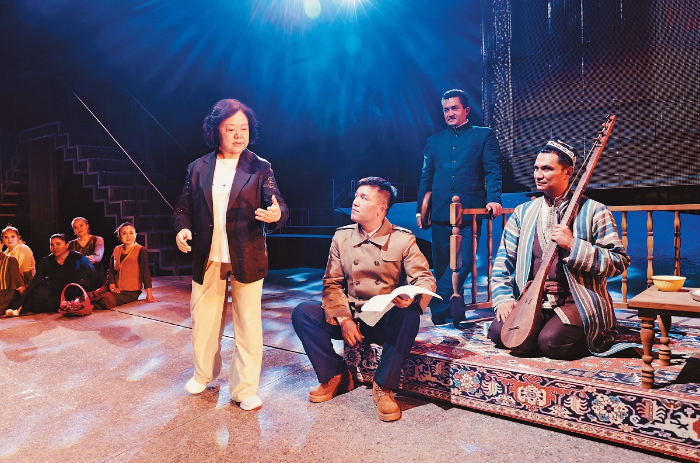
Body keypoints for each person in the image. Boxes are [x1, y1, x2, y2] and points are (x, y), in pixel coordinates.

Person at [172, 98, 288, 411]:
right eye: (231, 128)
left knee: (248, 325)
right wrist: (183, 228)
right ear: (216, 131)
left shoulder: (260, 167)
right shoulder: (198, 167)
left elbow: (278, 202)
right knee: (204, 320)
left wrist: (276, 214)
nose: (239, 135)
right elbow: (183, 207)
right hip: (208, 255)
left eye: (244, 128)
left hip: (247, 254)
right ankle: (203, 374)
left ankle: (244, 389)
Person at [292, 177, 436, 422]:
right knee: (303, 313)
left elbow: (424, 279)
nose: (355, 202)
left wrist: (410, 296)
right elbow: (331, 283)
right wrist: (344, 319)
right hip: (352, 320)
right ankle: (336, 375)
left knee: (409, 313)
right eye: (357, 196)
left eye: (364, 198)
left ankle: (384, 386)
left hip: (383, 321)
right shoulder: (342, 237)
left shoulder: (402, 239)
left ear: (381, 209)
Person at [487, 140, 630, 358]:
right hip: (532, 299)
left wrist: (573, 245)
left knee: (550, 343)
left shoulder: (595, 211)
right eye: (536, 168)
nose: (538, 175)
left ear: (568, 172)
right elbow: (502, 261)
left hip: (577, 300)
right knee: (499, 334)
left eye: (547, 169)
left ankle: (591, 333)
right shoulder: (522, 213)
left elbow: (618, 262)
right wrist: (504, 299)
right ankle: (539, 331)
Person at [416, 89, 503, 325]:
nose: (450, 113)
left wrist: (494, 198)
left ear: (466, 110)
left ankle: (434, 304)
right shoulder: (433, 141)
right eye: (446, 109)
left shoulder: (484, 135)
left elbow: (492, 169)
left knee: (461, 264)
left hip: (469, 214)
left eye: (454, 108)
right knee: (443, 266)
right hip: (440, 213)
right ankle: (450, 312)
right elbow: (426, 177)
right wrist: (420, 210)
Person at [6, 234, 96, 316]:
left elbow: (94, 276)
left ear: (67, 245)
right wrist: (22, 300)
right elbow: (36, 280)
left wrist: (92, 294)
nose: (54, 247)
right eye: (52, 245)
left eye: (58, 244)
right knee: (39, 295)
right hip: (51, 288)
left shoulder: (79, 258)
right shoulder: (46, 260)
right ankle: (19, 310)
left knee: (51, 303)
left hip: (69, 290)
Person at [92, 222, 159, 310]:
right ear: (119, 236)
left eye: (131, 233)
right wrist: (112, 287)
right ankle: (78, 304)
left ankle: (87, 306)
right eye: (124, 233)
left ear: (135, 235)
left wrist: (149, 295)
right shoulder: (117, 249)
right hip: (114, 287)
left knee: (107, 298)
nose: (128, 236)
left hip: (130, 292)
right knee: (93, 294)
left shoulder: (140, 250)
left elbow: (145, 272)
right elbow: (111, 270)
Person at [68, 217, 106, 286]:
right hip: (79, 281)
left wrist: (79, 261)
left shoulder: (97, 239)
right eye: (75, 227)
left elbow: (97, 257)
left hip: (96, 280)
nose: (79, 229)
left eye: (81, 225)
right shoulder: (71, 244)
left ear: (87, 226)